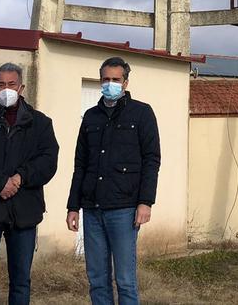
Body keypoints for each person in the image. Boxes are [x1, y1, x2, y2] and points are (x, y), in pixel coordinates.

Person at [66, 57, 161, 305]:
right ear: (100, 81)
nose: (110, 84)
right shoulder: (90, 117)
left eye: (116, 80)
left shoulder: (142, 113)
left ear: (126, 82)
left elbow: (151, 160)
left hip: (125, 209)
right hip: (93, 209)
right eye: (106, 79)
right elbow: (80, 164)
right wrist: (73, 206)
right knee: (97, 279)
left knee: (126, 280)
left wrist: (145, 202)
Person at [0, 62, 60, 305]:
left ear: (22, 87)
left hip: (24, 213)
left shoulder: (41, 123)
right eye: (1, 85)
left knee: (21, 282)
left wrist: (20, 177)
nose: (6, 89)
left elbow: (48, 161)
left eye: (11, 84)